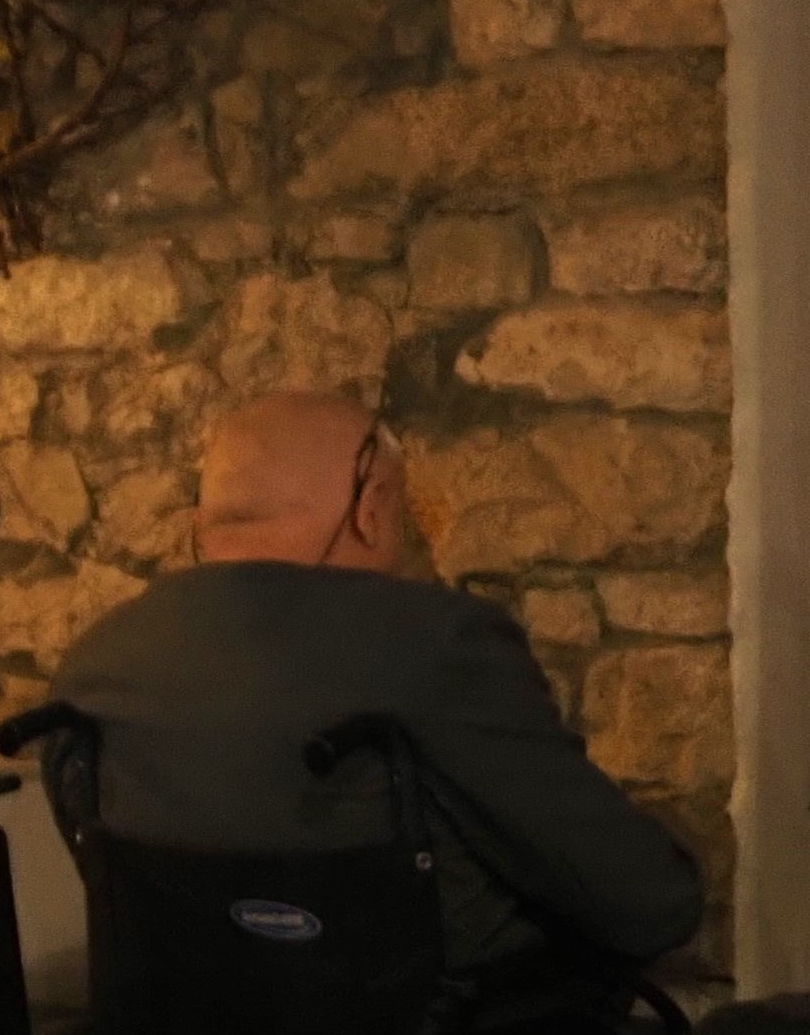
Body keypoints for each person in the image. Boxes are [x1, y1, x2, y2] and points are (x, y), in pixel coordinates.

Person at [47, 392, 702, 979]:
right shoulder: (439, 643)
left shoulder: (96, 663)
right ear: (372, 506)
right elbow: (642, 904)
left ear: (204, 523)